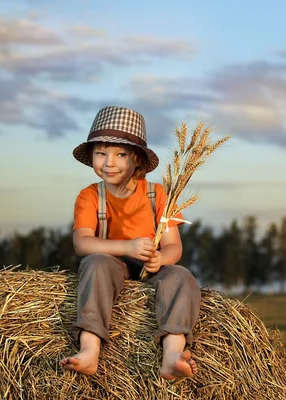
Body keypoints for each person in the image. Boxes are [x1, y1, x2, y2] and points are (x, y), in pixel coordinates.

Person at [59, 105, 201, 380]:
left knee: (181, 277)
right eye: (101, 153)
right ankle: (89, 349)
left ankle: (172, 355)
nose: (109, 162)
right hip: (111, 261)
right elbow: (82, 243)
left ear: (136, 160)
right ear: (91, 157)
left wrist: (163, 259)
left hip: (151, 264)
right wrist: (125, 247)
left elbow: (173, 246)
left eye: (120, 154)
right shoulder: (90, 196)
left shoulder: (158, 194)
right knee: (96, 263)